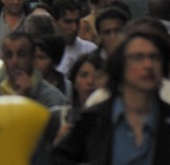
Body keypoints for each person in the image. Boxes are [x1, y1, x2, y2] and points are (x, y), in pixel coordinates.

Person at [54, 20, 170, 164]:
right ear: (120, 64)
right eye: (138, 57)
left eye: (155, 57)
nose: (148, 65)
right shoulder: (94, 119)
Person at [53, 0, 99, 79]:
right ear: (55, 22)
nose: (74, 28)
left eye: (77, 22)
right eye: (68, 22)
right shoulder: (46, 54)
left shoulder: (90, 50)